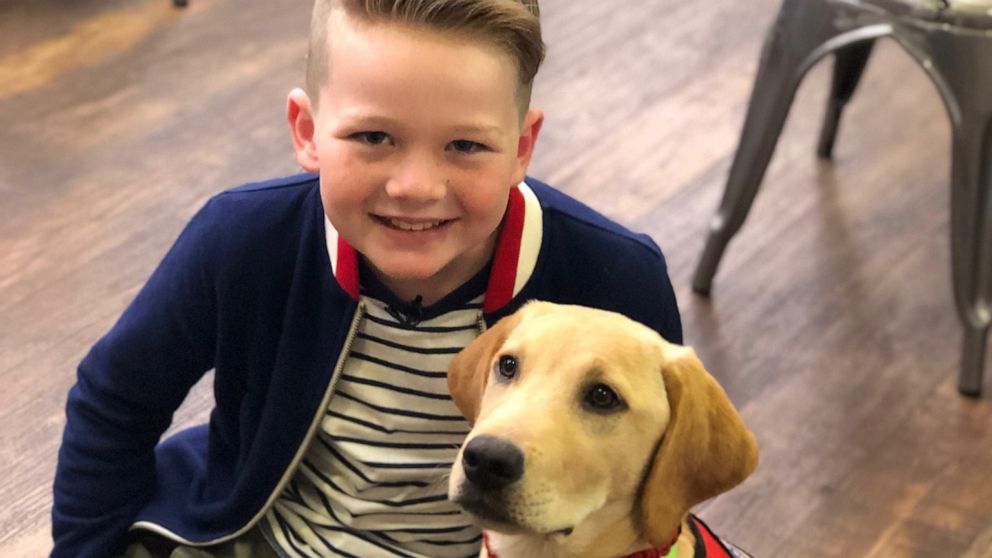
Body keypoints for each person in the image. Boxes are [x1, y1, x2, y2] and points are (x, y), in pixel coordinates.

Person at [51, 0, 682, 556]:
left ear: (522, 146)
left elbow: (658, 476)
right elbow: (115, 403)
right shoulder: (240, 237)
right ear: (307, 133)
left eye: (465, 146)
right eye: (374, 136)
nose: (415, 188)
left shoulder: (618, 277)